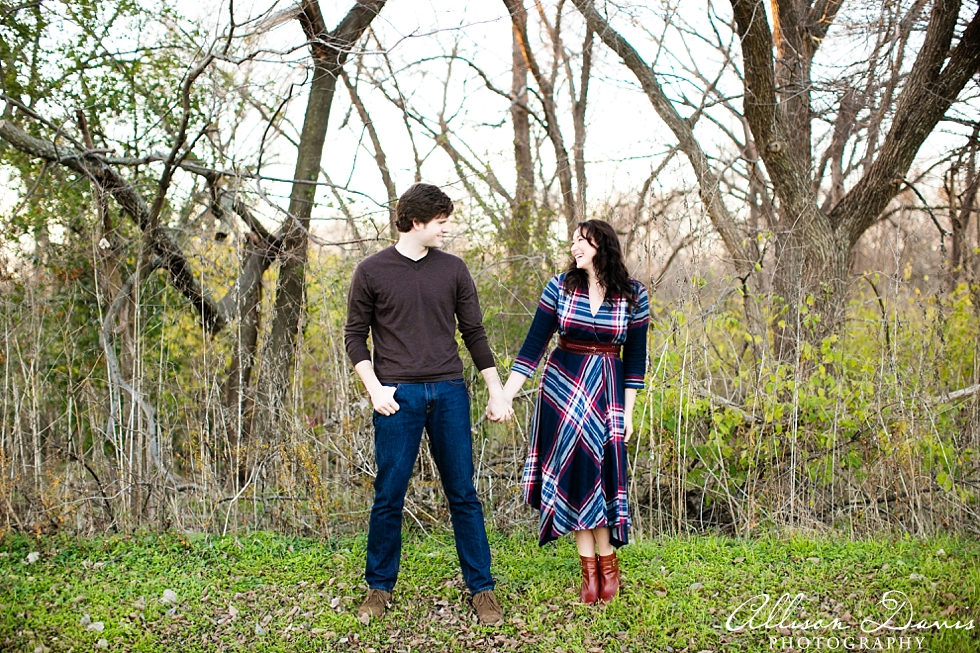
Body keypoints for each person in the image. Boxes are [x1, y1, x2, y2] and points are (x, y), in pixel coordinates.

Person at [344, 183, 512, 626]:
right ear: (416, 221)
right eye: (440, 222)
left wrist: (495, 390)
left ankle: (482, 589)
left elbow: (474, 333)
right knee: (389, 494)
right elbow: (354, 336)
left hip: (449, 392)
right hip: (397, 396)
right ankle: (379, 587)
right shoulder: (371, 271)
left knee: (464, 494)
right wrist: (375, 388)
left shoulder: (453, 269)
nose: (445, 229)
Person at [500, 219, 649, 605]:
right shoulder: (560, 287)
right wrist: (505, 395)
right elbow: (532, 348)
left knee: (603, 475)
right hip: (563, 391)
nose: (574, 247)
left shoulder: (634, 294)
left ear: (602, 245)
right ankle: (589, 571)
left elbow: (636, 360)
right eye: (573, 241)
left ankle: (608, 563)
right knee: (576, 474)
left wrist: (629, 413)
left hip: (608, 392)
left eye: (582, 240)